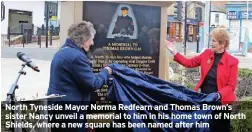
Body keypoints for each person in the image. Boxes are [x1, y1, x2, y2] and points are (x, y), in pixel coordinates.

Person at [165, 26, 239, 131]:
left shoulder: (232, 61)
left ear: (223, 44)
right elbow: (189, 63)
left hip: (222, 103)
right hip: (205, 99)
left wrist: (218, 95)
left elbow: (231, 86)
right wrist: (174, 52)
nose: (211, 43)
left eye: (214, 41)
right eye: (211, 40)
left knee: (220, 129)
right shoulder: (206, 54)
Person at [47, 21, 112, 132]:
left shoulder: (64, 51)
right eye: (91, 39)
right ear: (84, 40)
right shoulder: (76, 57)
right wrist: (106, 71)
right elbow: (94, 84)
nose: (92, 43)